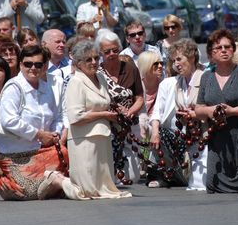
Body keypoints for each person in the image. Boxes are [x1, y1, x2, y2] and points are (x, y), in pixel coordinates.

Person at [0, 45, 69, 201]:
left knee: (64, 163)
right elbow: (9, 121)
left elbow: (57, 116)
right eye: (28, 64)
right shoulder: (13, 87)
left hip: (40, 149)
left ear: (45, 66)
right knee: (26, 192)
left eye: (38, 64)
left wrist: (54, 134)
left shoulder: (47, 88)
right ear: (21, 64)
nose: (33, 68)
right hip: (12, 151)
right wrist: (39, 134)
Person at [195, 29, 238, 194]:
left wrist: (234, 111)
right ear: (211, 54)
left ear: (233, 50)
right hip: (217, 140)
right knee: (213, 186)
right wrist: (209, 110)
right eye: (218, 48)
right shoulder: (207, 77)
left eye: (228, 47)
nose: (223, 50)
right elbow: (198, 109)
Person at [63, 40, 132, 199]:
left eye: (96, 58)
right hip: (84, 139)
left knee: (104, 185)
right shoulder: (76, 82)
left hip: (103, 136)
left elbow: (104, 102)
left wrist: (116, 110)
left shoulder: (101, 78)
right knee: (88, 190)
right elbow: (75, 116)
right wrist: (105, 115)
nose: (94, 62)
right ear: (78, 63)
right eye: (88, 59)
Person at [150, 39, 206, 190]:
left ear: (192, 57)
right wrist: (154, 132)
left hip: (203, 134)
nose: (176, 64)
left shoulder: (206, 77)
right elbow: (157, 113)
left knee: (200, 182)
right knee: (160, 132)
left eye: (179, 59)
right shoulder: (176, 82)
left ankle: (181, 174)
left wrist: (195, 114)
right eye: (174, 60)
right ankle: (166, 175)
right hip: (182, 135)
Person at [97, 30, 144, 183]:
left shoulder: (130, 69)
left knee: (133, 176)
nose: (112, 53)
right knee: (110, 174)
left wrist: (130, 111)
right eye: (107, 51)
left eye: (115, 50)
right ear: (100, 53)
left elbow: (139, 97)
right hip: (107, 126)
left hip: (129, 126)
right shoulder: (97, 73)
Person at [137, 50, 164, 141]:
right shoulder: (136, 85)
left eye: (161, 63)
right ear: (146, 66)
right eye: (156, 64)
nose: (160, 66)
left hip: (160, 127)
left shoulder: (164, 84)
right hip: (140, 129)